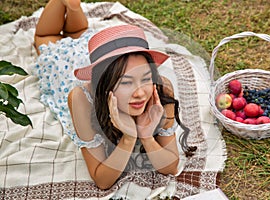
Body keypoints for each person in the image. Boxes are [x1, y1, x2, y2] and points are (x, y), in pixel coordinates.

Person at [34, 0, 196, 190]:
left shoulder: (161, 91)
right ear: (105, 86)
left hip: (104, 57)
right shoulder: (82, 100)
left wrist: (146, 136)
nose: (140, 93)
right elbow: (102, 181)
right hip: (65, 65)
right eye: (126, 82)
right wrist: (128, 139)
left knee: (79, 32)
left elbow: (170, 167)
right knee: (45, 36)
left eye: (145, 78)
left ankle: (74, 8)